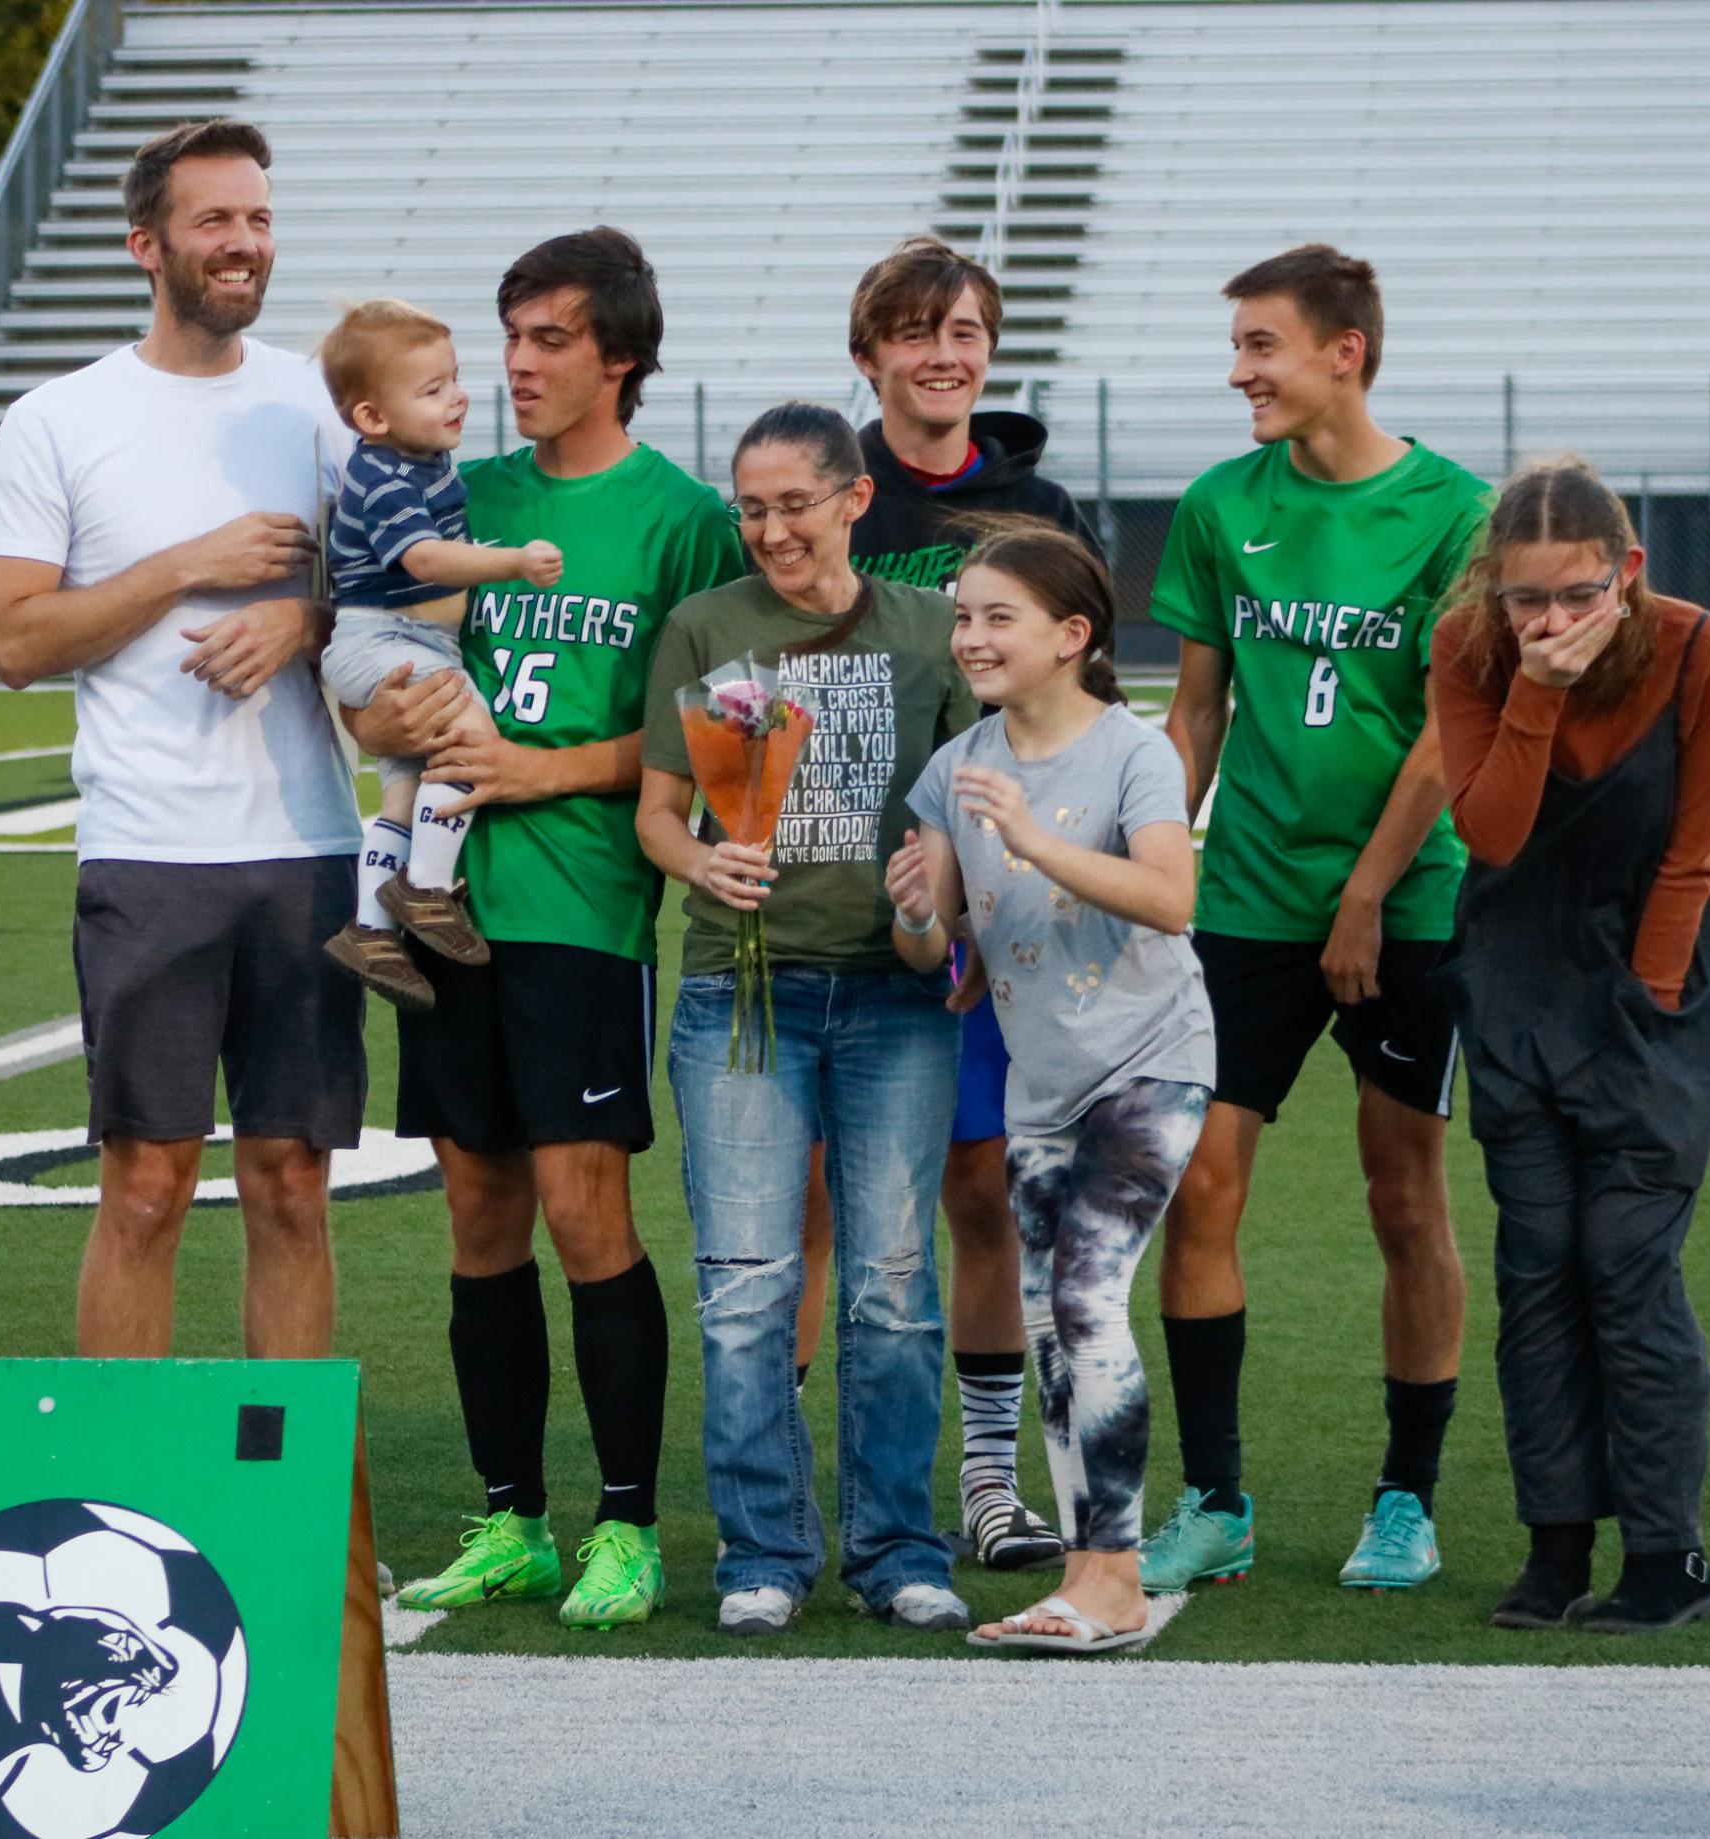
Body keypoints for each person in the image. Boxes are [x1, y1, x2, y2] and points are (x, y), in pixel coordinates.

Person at [348, 229, 745, 1631]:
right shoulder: (462, 490)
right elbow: (374, 656)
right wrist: (380, 716)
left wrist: (537, 767)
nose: (518, 363)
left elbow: (690, 737)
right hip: (442, 903)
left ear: (620, 356)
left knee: (586, 1211)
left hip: (581, 905)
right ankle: (511, 1513)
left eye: (553, 338)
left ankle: (625, 1524)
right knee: (475, 1208)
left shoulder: (682, 518)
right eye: (510, 335)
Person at [0, 118, 363, 1359]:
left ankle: (308, 1534)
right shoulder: (57, 418)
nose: (244, 243)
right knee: (145, 1190)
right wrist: (187, 566)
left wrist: (306, 617)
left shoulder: (323, 400)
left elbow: (405, 602)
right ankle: (121, 1515)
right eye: (215, 219)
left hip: (308, 844)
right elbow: (16, 641)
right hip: (147, 850)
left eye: (257, 217)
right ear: (147, 243)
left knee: (293, 1187)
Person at [1145, 244, 1490, 1594]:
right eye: (1237, 348)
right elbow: (1193, 714)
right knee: (1200, 1182)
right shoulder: (1222, 505)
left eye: (1260, 346)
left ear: (1344, 351)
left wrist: (1361, 896)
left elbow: (1446, 737)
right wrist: (1151, 863)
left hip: (1407, 908)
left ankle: (1405, 1495)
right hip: (1241, 900)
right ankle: (1217, 1495)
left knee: (1403, 1195)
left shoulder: (1457, 509)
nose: (1239, 373)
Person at [637, 401, 973, 1639]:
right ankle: (762, 1551)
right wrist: (697, 866)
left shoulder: (930, 629)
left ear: (854, 499)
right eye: (753, 506)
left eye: (795, 502)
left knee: (892, 1286)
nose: (773, 528)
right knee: (744, 1289)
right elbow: (659, 812)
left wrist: (934, 880)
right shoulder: (707, 626)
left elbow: (966, 807)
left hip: (895, 998)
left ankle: (898, 1550)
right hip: (743, 989)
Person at [1430, 457, 1710, 1633]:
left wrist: (1650, 1007)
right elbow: (1494, 833)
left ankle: (1670, 1561)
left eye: (1575, 595)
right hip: (1515, 975)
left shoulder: (1705, 650)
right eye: (1526, 601)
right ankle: (1555, 1550)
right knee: (1538, 1264)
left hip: (1656, 981)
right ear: (1495, 593)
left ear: (1629, 573)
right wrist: (1536, 690)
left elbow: (1693, 852)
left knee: (1627, 1260)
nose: (1550, 621)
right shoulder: (1469, 650)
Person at [889, 523, 1214, 1653]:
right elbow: (940, 956)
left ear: (1073, 636)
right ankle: (1087, 1575)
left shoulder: (1136, 752)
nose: (971, 637)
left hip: (1152, 1062)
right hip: (1043, 1087)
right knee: (1048, 1327)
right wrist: (920, 912)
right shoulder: (954, 768)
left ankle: (1113, 1583)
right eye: (964, 616)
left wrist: (1027, 836)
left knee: (1085, 1303)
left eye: (998, 617)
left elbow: (1171, 899)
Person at [830, 236, 1100, 1570]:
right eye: (920, 331)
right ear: (869, 350)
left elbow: (1083, 699)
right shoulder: (827, 497)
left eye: (969, 331)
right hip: (841, 897)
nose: (947, 354)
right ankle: (845, 1478)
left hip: (999, 908)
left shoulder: (1035, 502)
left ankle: (989, 1478)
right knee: (829, 1203)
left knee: (979, 1189)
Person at [313, 297, 563, 1010]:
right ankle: (424, 889)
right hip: (383, 637)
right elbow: (422, 559)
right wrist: (512, 561)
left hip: (402, 639)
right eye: (432, 390)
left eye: (454, 379)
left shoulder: (421, 454)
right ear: (370, 417)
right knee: (470, 740)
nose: (456, 398)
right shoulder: (384, 476)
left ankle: (368, 930)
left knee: (404, 787)